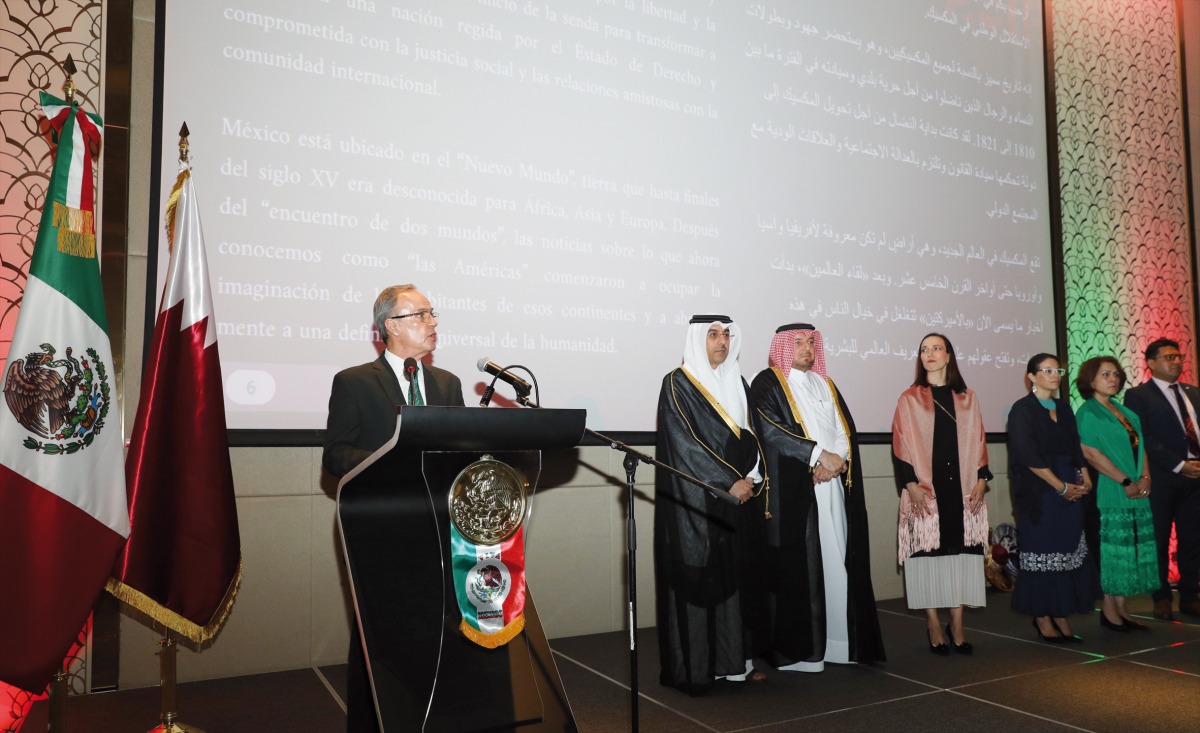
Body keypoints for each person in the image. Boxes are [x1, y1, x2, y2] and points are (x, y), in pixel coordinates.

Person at [322, 284, 465, 733]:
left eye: (432, 313)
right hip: (381, 530)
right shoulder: (354, 382)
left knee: (439, 635)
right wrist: (392, 459)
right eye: (421, 314)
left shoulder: (448, 384)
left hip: (439, 529)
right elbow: (336, 455)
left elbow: (459, 452)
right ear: (391, 326)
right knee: (379, 638)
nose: (433, 322)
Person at [749, 323, 885, 672]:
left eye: (811, 341)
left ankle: (838, 643)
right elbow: (772, 431)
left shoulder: (825, 384)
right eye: (797, 342)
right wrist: (818, 457)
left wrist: (835, 461)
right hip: (794, 494)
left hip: (831, 485)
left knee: (836, 561)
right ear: (782, 346)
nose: (806, 348)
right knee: (804, 566)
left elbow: (843, 429)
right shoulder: (768, 383)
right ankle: (802, 652)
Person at [655, 315, 766, 695]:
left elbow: (753, 434)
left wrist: (752, 476)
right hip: (697, 502)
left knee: (736, 580)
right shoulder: (678, 383)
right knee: (698, 579)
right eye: (713, 334)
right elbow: (684, 445)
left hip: (739, 499)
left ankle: (735, 665)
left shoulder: (738, 381)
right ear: (697, 339)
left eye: (726, 334)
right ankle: (697, 670)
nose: (722, 341)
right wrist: (728, 482)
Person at [891, 333, 991, 655]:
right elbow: (900, 446)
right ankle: (933, 622)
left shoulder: (968, 397)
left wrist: (982, 480)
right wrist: (911, 485)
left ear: (948, 355)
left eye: (936, 348)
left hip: (962, 488)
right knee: (926, 558)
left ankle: (957, 623)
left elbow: (980, 441)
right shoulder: (909, 398)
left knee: (961, 556)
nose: (930, 354)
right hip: (925, 490)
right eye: (924, 349)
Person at [1007, 353, 1100, 643]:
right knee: (1043, 552)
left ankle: (1060, 612)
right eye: (1047, 370)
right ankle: (1042, 616)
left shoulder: (1064, 407)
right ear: (1031, 376)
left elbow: (1075, 447)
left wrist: (1085, 475)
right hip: (1040, 492)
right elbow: (1028, 456)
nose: (1055, 375)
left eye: (1057, 370)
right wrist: (1060, 487)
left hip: (1069, 487)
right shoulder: (1022, 410)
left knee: (1067, 551)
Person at [1075, 356, 1157, 631]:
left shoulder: (1125, 412)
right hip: (1108, 488)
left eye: (1115, 374)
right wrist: (1124, 480)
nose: (1113, 379)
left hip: (1134, 485)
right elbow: (1090, 454)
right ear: (1090, 381)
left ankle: (1122, 608)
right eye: (1105, 374)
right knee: (1111, 550)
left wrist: (1145, 477)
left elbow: (1140, 446)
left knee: (1128, 548)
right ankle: (1109, 611)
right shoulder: (1087, 413)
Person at [1122, 338, 1200, 620]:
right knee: (1158, 539)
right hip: (1162, 478)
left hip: (1196, 478)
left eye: (1178, 357)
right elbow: (1143, 438)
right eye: (1168, 357)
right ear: (1151, 363)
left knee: (1193, 539)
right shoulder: (1138, 396)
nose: (1176, 362)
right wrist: (1179, 465)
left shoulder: (1193, 392)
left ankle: (1190, 596)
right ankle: (1161, 597)